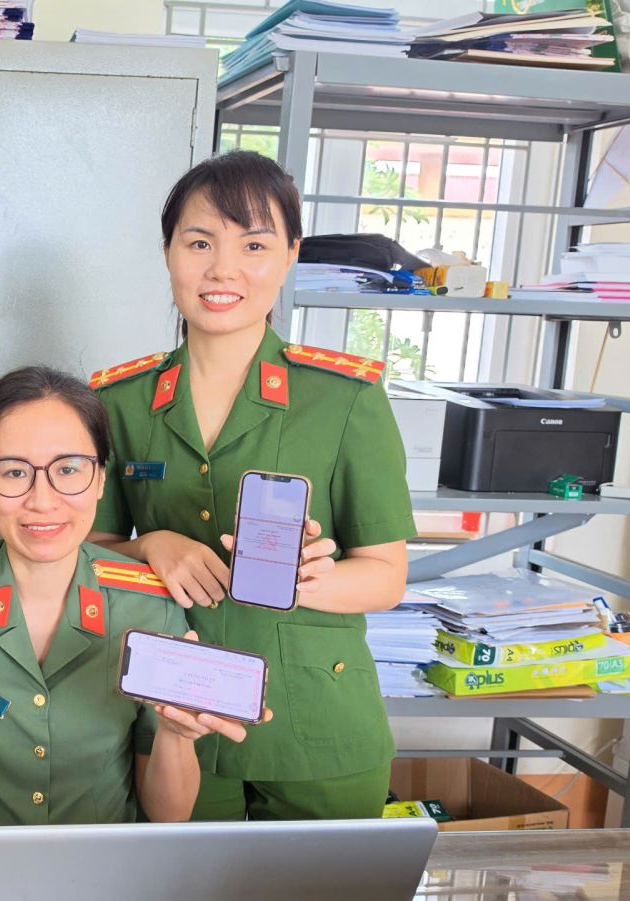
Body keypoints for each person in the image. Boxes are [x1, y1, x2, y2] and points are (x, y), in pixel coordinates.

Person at [90, 150, 415, 821]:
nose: (223, 269)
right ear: (168, 252)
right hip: (177, 715)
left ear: (291, 255)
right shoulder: (120, 401)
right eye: (199, 243)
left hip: (317, 722)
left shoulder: (344, 398)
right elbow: (84, 555)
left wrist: (312, 580)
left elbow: (387, 576)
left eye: (254, 245)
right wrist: (151, 544)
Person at [0, 367, 262, 835]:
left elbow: (168, 813)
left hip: (102, 871)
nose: (42, 500)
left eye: (68, 470)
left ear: (100, 479)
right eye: (14, 472)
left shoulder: (149, 607)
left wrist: (175, 736)